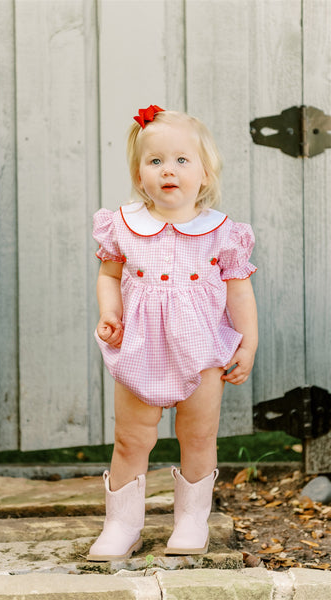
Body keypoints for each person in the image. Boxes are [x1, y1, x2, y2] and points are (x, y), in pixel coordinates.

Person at [87, 105, 258, 561]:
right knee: (132, 436)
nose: (168, 171)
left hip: (202, 350)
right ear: (139, 174)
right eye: (155, 161)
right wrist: (110, 312)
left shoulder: (221, 233)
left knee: (199, 434)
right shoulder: (124, 226)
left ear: (204, 173)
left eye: (182, 160)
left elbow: (240, 294)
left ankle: (191, 519)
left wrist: (248, 343)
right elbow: (109, 275)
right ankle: (122, 524)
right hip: (141, 346)